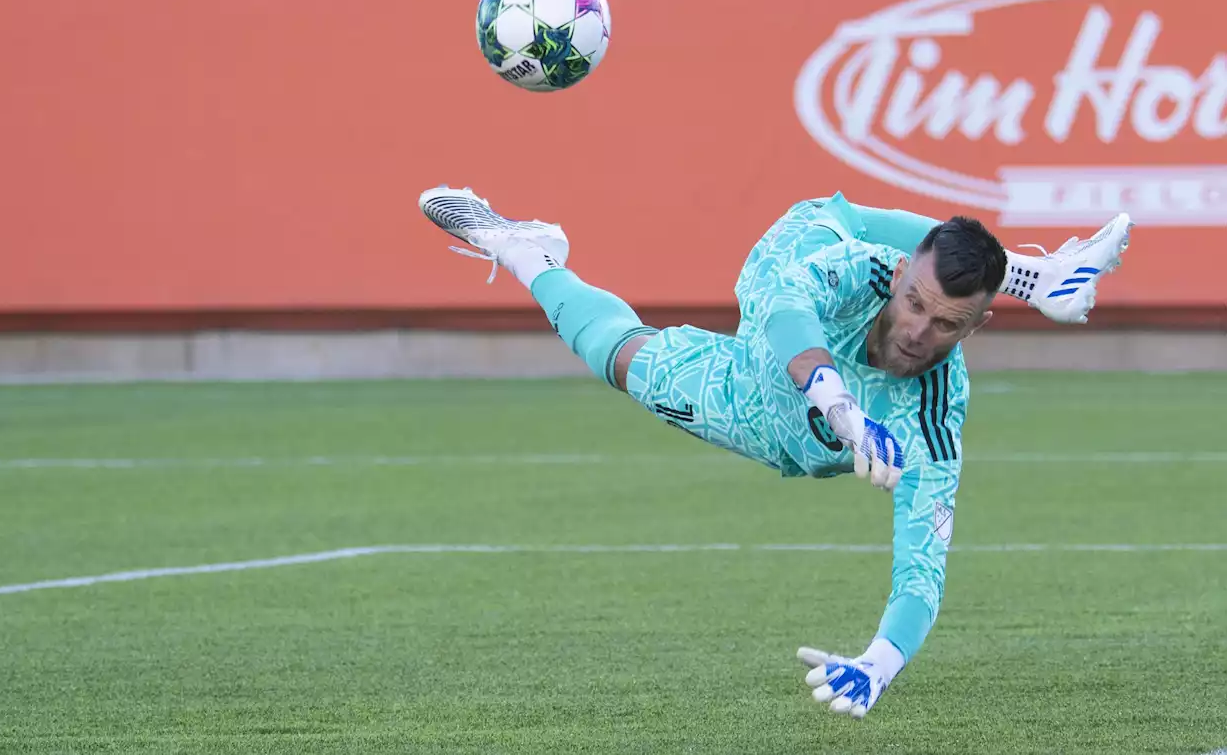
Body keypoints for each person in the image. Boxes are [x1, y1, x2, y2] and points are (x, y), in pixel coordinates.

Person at [417, 185, 1132, 720]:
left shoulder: (935, 415)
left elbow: (922, 571)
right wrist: (840, 405)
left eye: (945, 322)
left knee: (620, 355)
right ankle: (526, 252)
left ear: (973, 330)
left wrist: (877, 665)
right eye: (913, 302)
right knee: (617, 350)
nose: (917, 328)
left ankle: (1032, 281)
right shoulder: (861, 270)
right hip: (783, 295)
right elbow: (788, 304)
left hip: (769, 423)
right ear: (897, 283)